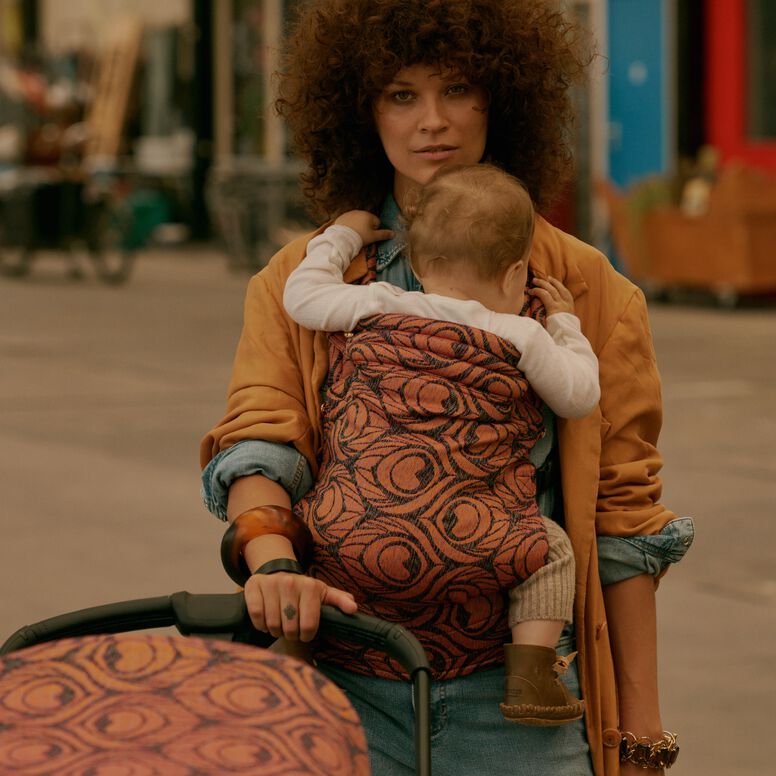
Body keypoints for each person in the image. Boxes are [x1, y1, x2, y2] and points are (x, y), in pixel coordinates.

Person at [200, 2, 694, 774]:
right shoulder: (301, 281)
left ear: (501, 96)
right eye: (401, 95)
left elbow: (623, 525)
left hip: (520, 703)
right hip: (340, 682)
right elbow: (263, 440)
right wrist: (271, 562)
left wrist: (641, 739)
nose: (434, 121)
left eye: (457, 89)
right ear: (362, 110)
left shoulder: (591, 293)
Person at [282, 163, 598, 726]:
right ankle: (530, 674)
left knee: (318, 525)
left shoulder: (377, 302)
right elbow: (578, 395)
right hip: (474, 537)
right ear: (516, 273)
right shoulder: (521, 332)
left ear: (420, 265)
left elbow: (302, 296)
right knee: (550, 548)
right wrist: (566, 324)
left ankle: (293, 653)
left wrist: (345, 235)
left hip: (352, 533)